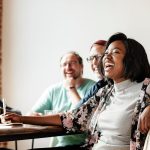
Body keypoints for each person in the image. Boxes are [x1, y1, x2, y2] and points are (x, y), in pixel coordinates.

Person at [2, 32, 150, 150]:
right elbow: (71, 118)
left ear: (132, 59)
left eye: (115, 52)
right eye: (106, 53)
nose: (106, 57)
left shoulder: (146, 88)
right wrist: (21, 119)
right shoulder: (105, 92)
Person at [28, 51, 96, 147]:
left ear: (82, 67)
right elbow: (31, 113)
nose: (68, 67)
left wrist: (71, 89)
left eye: (73, 63)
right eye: (64, 64)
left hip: (84, 145)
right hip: (59, 145)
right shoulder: (53, 90)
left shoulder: (92, 87)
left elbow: (82, 116)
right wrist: (35, 115)